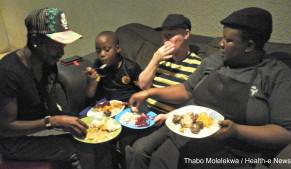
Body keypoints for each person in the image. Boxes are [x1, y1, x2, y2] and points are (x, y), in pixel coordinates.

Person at [127, 7, 291, 169]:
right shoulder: (215, 60)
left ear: (250, 46)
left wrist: (237, 131)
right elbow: (187, 89)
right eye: (222, 37)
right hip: (189, 133)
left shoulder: (277, 76)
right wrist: (150, 92)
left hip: (237, 151)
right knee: (158, 160)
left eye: (229, 40)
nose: (221, 44)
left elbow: (290, 132)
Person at [0, 7, 112, 169]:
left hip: (42, 126)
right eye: (56, 45)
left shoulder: (48, 64)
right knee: (79, 147)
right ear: (36, 41)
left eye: (63, 45)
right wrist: (51, 121)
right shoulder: (8, 73)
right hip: (14, 141)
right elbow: (5, 128)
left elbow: (51, 105)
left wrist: (69, 119)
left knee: (98, 135)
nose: (62, 51)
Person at [138, 14, 202, 114]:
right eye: (163, 36)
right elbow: (143, 85)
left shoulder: (198, 64)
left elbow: (189, 98)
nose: (165, 41)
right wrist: (155, 60)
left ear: (186, 34)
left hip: (169, 118)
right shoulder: (161, 58)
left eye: (170, 36)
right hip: (146, 111)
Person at [85, 31, 141, 103]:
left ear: (118, 48)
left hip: (129, 105)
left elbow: (142, 90)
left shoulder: (130, 67)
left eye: (107, 49)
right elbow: (90, 94)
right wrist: (93, 80)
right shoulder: (98, 65)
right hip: (108, 106)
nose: (102, 54)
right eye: (98, 50)